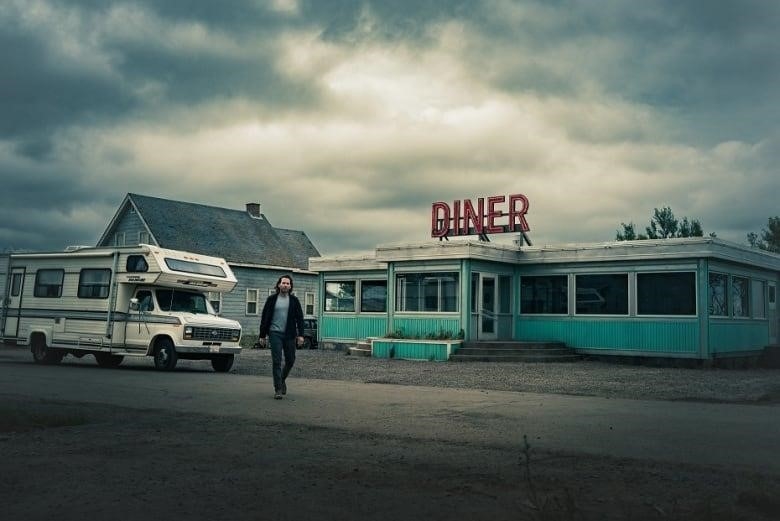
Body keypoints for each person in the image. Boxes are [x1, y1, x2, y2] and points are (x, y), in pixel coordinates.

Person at [258, 274, 304, 399]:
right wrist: (262, 335)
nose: (285, 285)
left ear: (290, 286)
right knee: (277, 361)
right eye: (283, 283)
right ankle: (278, 388)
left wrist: (301, 335)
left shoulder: (294, 301)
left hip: (289, 334)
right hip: (274, 333)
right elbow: (264, 317)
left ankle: (282, 379)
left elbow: (300, 318)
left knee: (290, 360)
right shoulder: (271, 299)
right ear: (279, 284)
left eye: (288, 283)